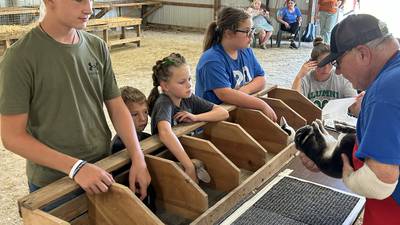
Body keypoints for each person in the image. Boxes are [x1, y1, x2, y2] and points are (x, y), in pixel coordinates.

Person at [0, 0, 150, 202]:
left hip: (103, 167)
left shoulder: (97, 47)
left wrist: (137, 156)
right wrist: (76, 167)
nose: (89, 8)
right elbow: (12, 137)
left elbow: (116, 106)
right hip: (54, 182)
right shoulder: (20, 57)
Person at [301, 14, 400, 225]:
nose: (338, 71)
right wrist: (327, 153)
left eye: (338, 62)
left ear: (362, 54)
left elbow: (380, 180)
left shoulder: (384, 93)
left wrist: (348, 176)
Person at [148, 53, 229, 183]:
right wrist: (188, 166)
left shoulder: (188, 98)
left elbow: (223, 112)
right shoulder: (164, 102)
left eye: (189, 79)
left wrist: (196, 117)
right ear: (165, 86)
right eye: (182, 82)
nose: (189, 85)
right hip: (168, 160)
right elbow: (164, 132)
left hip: (185, 152)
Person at [195, 7, 277, 122]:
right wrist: (261, 104)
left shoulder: (246, 51)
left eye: (252, 30)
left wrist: (245, 90)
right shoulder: (212, 60)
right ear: (228, 33)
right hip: (211, 123)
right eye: (247, 31)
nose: (251, 36)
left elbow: (261, 79)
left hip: (234, 116)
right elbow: (225, 94)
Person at [291, 37, 356, 109]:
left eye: (330, 63)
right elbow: (295, 106)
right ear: (312, 62)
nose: (326, 69)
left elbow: (353, 104)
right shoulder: (304, 78)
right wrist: (298, 77)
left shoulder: (341, 77)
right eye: (322, 64)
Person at [111, 86, 151, 153]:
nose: (143, 119)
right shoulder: (119, 146)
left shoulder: (146, 137)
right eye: (135, 114)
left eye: (145, 112)